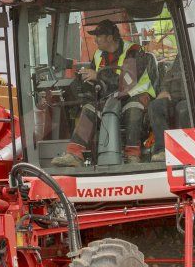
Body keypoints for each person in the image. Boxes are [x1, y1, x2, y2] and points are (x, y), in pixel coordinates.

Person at [51, 19, 156, 166]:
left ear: (109, 37)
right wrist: (86, 87)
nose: (95, 40)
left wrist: (98, 75)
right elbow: (96, 81)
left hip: (136, 95)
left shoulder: (134, 51)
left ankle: (133, 156)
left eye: (98, 36)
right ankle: (74, 154)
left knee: (133, 109)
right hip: (111, 96)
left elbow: (127, 81)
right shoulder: (98, 54)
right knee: (89, 108)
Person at [147, 58, 190, 162]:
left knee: (183, 109)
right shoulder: (180, 57)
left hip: (192, 97)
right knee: (155, 106)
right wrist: (164, 90)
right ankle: (163, 149)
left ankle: (187, 150)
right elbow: (170, 75)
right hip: (174, 97)